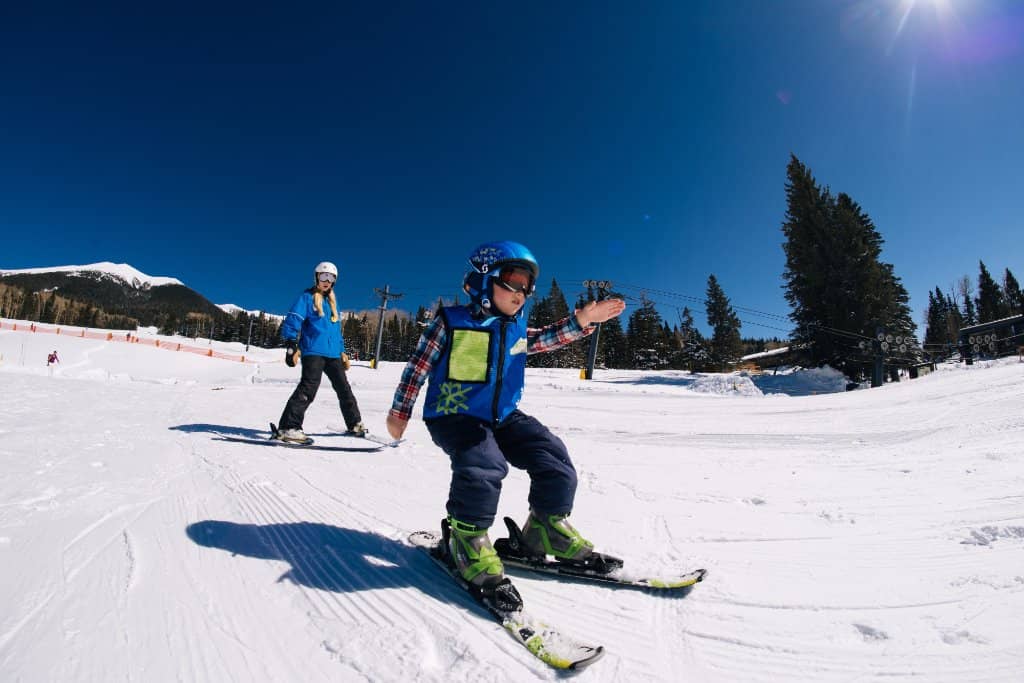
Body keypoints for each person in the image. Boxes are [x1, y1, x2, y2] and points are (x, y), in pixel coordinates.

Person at [385, 241, 626, 591]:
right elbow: (417, 367)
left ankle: (543, 531)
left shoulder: (515, 330)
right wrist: (400, 412)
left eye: (528, 286)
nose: (522, 293)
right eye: (513, 280)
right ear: (485, 280)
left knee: (552, 455)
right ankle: (465, 540)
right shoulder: (451, 322)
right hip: (455, 416)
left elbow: (546, 339)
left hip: (501, 417)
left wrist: (583, 320)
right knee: (484, 464)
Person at [275, 261, 364, 443]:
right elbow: (294, 320)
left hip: (333, 354)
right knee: (308, 388)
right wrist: (292, 345)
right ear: (316, 277)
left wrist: (343, 351)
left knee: (344, 390)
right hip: (313, 351)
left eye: (331, 278)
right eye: (323, 276)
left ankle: (354, 424)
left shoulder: (333, 303)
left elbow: (336, 331)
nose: (327, 281)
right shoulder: (307, 298)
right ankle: (288, 427)